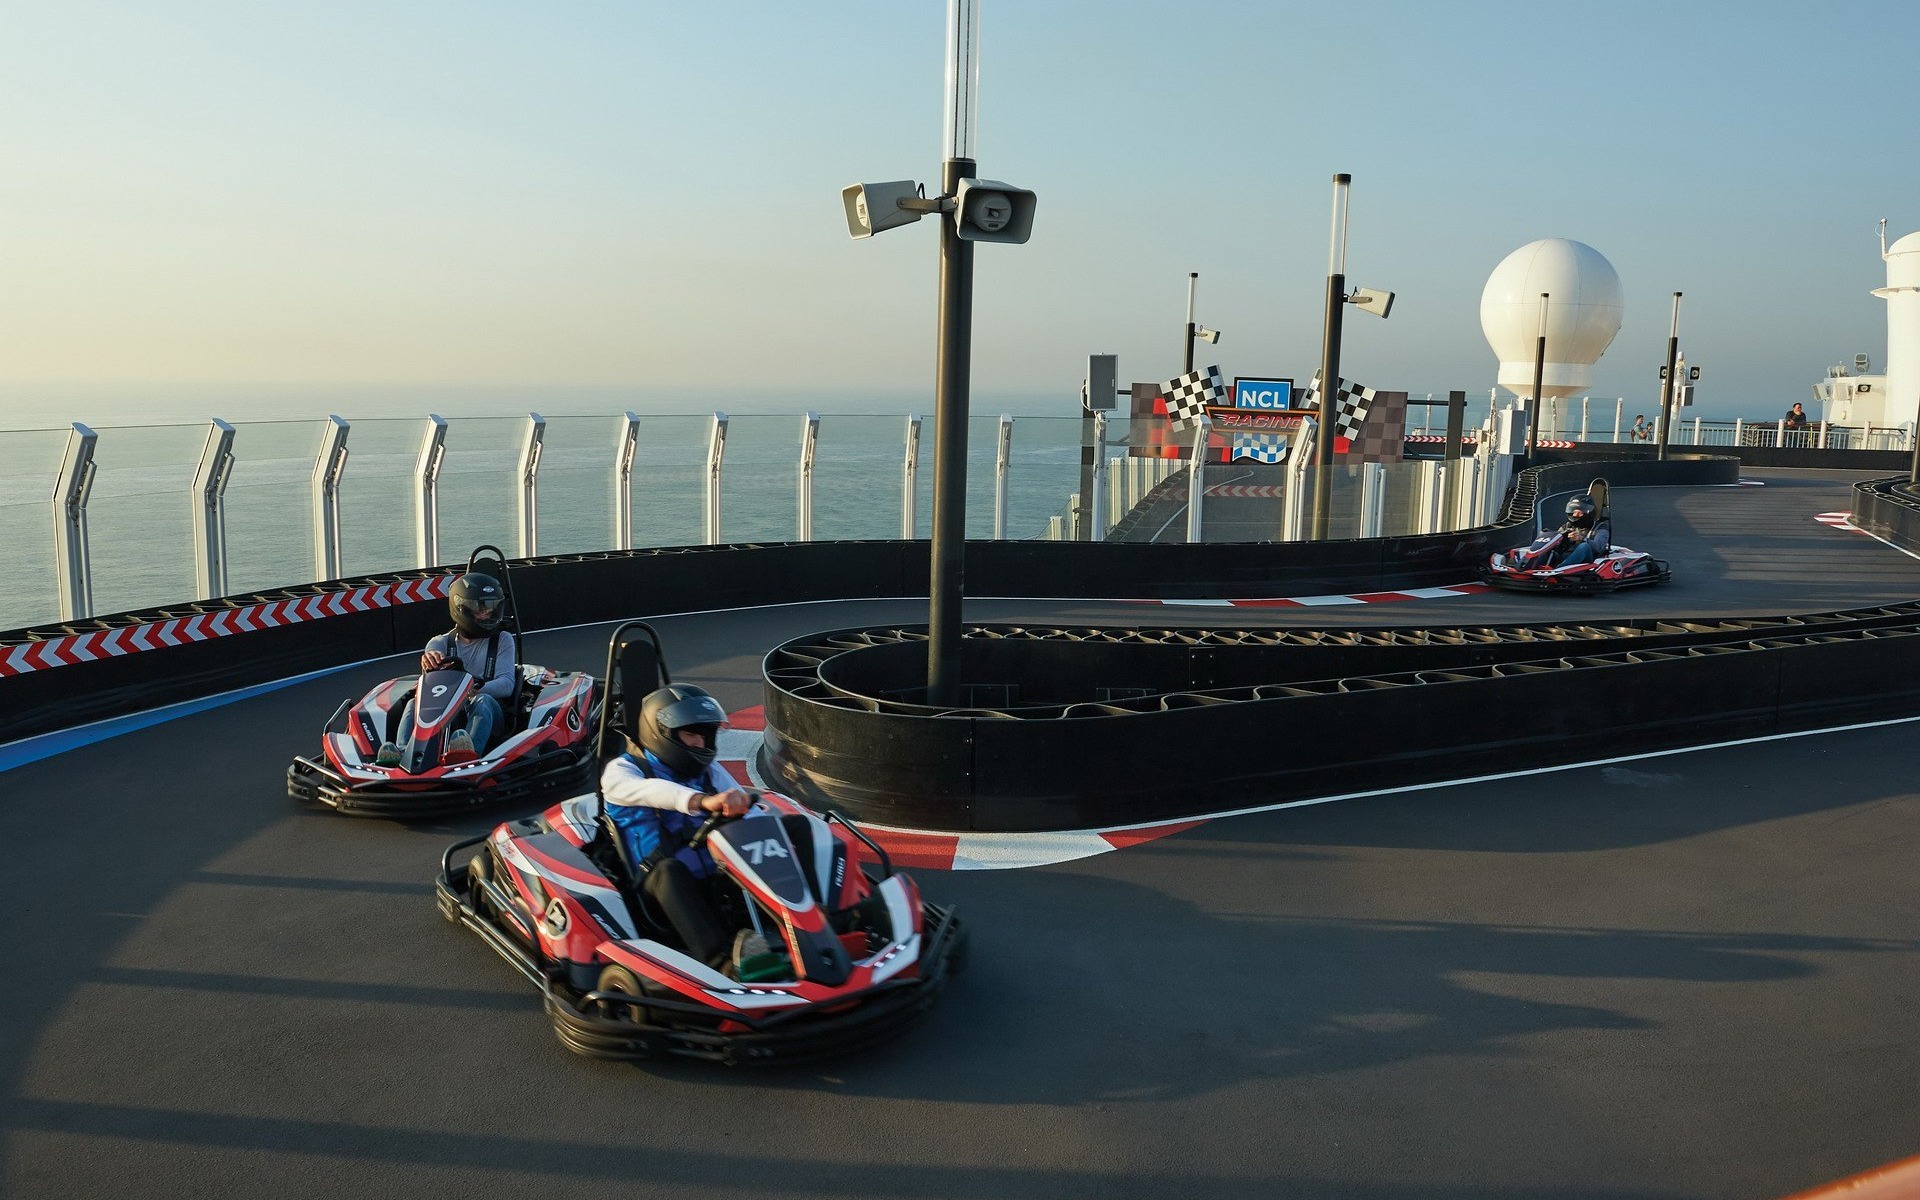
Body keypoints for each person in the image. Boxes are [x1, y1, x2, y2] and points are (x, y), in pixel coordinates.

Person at [601, 684, 756, 971]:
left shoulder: (708, 771)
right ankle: (722, 964)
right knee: (669, 872)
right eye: (690, 734)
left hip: (716, 873)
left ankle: (821, 924)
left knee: (786, 829)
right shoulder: (622, 771)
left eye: (705, 735)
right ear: (662, 734)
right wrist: (702, 801)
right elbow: (655, 791)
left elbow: (749, 810)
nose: (700, 743)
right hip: (657, 890)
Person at [376, 572, 517, 765]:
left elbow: (507, 684)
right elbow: (431, 685)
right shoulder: (439, 643)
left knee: (483, 701)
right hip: (450, 714)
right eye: (481, 607)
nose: (487, 613)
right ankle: (403, 755)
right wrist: (429, 664)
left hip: (490, 713)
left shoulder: (503, 640)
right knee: (414, 704)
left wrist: (472, 689)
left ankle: (468, 754)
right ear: (462, 607)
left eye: (492, 607)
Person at [1554, 496, 1609, 566]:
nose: (1575, 515)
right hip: (1566, 555)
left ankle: (1559, 569)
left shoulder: (1600, 527)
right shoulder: (1567, 526)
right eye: (1574, 512)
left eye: (1579, 512)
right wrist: (1563, 537)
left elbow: (1598, 547)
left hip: (1588, 560)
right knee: (1548, 548)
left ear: (1588, 512)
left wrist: (1581, 538)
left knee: (1584, 546)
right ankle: (1536, 567)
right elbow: (1555, 539)